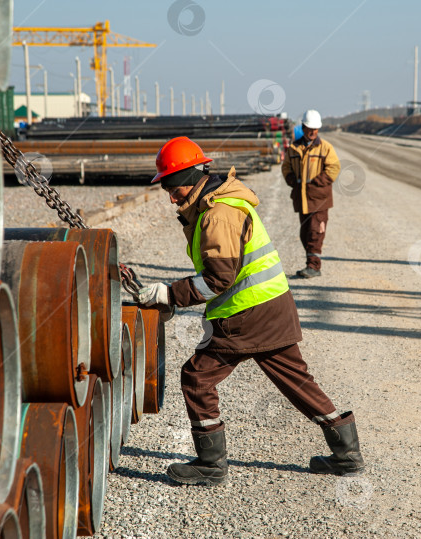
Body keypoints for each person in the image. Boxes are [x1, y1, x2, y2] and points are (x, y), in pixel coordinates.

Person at [137, 136, 364, 485]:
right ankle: (346, 453)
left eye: (172, 186)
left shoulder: (218, 214)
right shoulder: (216, 206)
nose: (170, 195)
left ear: (191, 177)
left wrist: (169, 294)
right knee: (297, 381)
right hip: (273, 308)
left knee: (197, 378)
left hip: (247, 316)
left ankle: (211, 464)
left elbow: (218, 279)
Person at [281, 109, 340, 278]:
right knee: (305, 232)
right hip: (302, 199)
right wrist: (293, 180)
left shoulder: (325, 148)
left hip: (319, 199)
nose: (313, 132)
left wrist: (316, 183)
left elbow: (334, 168)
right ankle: (311, 264)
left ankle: (314, 266)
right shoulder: (293, 148)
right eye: (310, 128)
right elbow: (286, 168)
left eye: (316, 129)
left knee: (316, 231)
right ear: (304, 127)